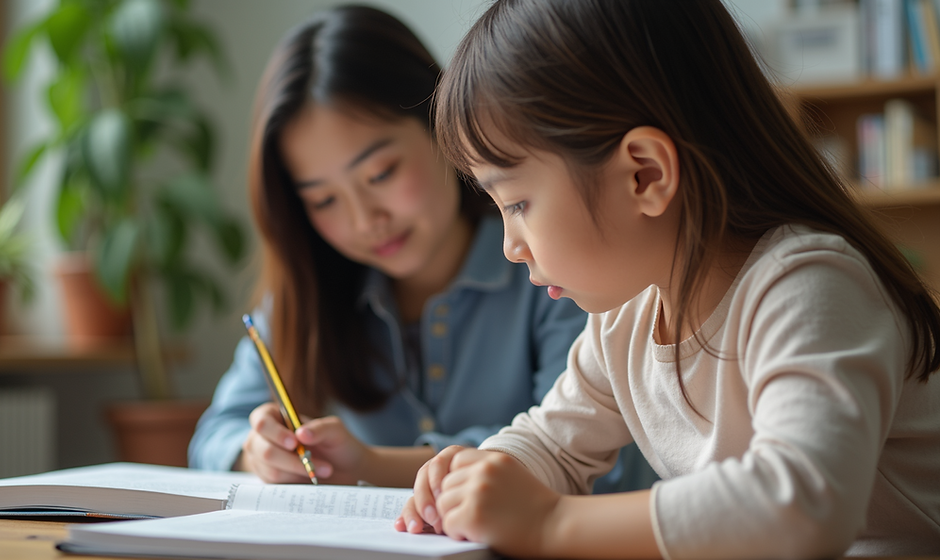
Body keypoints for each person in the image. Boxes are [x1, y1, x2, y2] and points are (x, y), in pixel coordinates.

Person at [396, 0, 940, 557]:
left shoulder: (810, 285)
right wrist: (482, 473)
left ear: (645, 175)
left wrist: (548, 522)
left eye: (517, 204)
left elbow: (801, 507)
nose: (511, 247)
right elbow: (553, 444)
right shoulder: (624, 318)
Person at [187, 4, 657, 491]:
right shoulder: (309, 293)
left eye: (381, 174)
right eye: (323, 200)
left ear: (442, 125)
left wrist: (370, 465)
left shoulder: (561, 266)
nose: (365, 220)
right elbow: (212, 436)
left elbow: (593, 458)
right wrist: (257, 451)